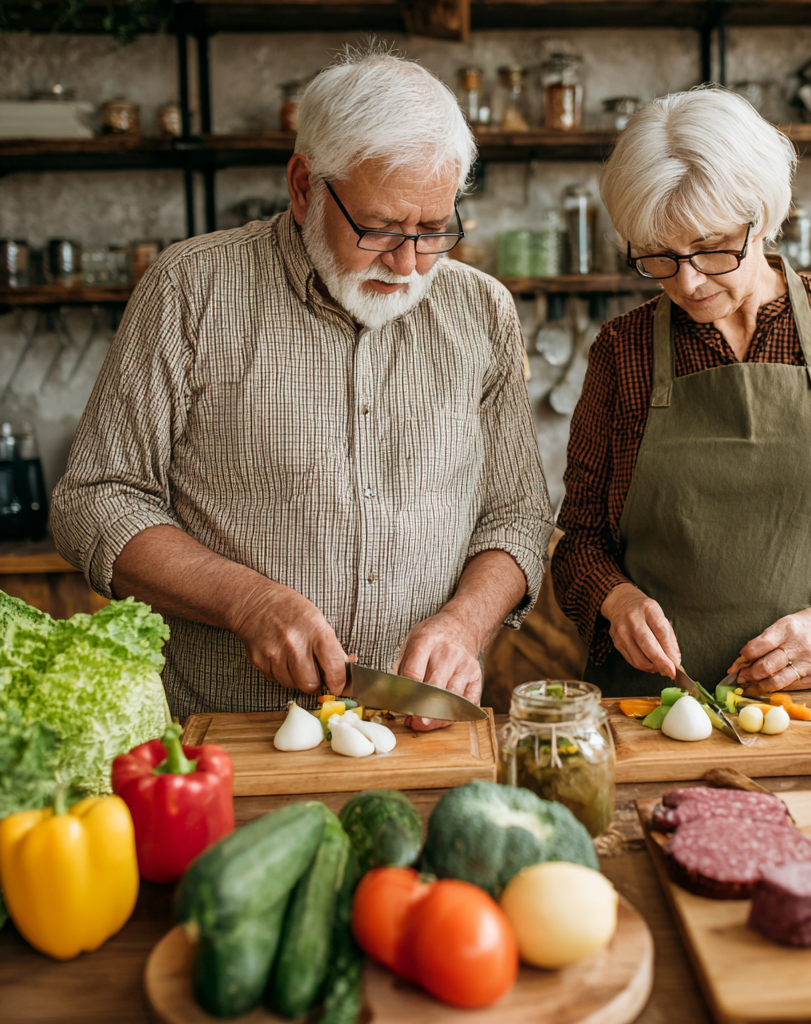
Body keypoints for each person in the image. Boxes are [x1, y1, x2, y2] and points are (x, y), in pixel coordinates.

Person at [51, 49, 552, 724]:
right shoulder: (190, 290)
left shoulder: (483, 311)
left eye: (434, 231)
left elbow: (516, 514)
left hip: (421, 728)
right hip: (231, 737)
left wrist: (467, 622)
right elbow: (96, 500)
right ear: (303, 185)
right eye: (379, 229)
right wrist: (246, 600)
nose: (407, 263)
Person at [552, 87, 811, 697]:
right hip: (652, 710)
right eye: (657, 256)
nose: (686, 281)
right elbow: (578, 538)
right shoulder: (621, 350)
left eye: (711, 248)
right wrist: (616, 599)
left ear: (761, 215)